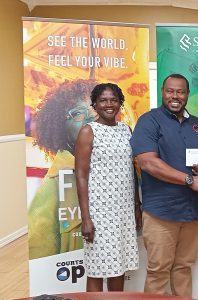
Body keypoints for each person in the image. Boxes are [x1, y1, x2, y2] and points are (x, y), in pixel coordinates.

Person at [130, 74, 198, 297]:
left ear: (187, 94)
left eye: (180, 92)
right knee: (158, 272)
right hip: (161, 213)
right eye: (170, 91)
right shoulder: (149, 121)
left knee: (184, 268)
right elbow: (148, 162)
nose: (175, 96)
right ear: (162, 92)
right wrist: (189, 180)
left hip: (192, 213)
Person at [75, 83, 140, 291]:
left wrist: (137, 207)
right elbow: (82, 176)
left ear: (120, 103)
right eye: (103, 100)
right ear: (95, 104)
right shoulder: (88, 131)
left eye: (113, 100)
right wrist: (86, 218)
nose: (109, 104)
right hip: (99, 214)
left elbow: (132, 171)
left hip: (123, 212)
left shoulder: (125, 130)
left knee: (118, 266)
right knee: (96, 269)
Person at [28, 79, 98, 260]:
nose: (91, 117)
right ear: (59, 127)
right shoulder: (53, 186)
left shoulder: (116, 165)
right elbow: (41, 254)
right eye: (77, 113)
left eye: (94, 108)